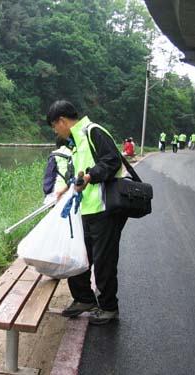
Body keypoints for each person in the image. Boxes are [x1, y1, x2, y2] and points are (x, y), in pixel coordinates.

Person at [47, 99, 127, 325]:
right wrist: (68, 185)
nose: (56, 132)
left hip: (105, 209)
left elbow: (112, 162)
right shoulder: (77, 141)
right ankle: (84, 299)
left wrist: (90, 176)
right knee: (79, 257)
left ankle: (109, 308)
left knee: (104, 261)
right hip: (87, 209)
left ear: (62, 121)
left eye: (54, 126)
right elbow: (81, 172)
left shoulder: (94, 132)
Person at [42, 136, 74, 205]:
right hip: (73, 190)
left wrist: (47, 194)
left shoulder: (55, 155)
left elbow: (49, 177)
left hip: (58, 191)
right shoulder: (75, 153)